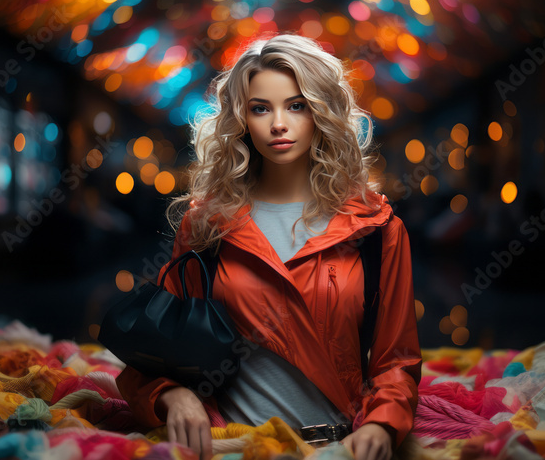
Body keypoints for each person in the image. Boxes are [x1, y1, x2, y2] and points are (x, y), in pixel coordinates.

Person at [116, 33, 421, 460]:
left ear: (322, 112)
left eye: (297, 105)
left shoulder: (377, 230)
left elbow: (397, 362)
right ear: (241, 120)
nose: (279, 123)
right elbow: (159, 352)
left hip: (337, 449)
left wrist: (382, 425)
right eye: (261, 108)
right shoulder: (206, 226)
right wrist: (172, 396)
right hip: (231, 447)